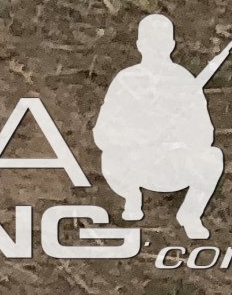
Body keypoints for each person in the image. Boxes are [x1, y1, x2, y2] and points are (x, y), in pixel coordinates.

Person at [95, 14, 224, 239]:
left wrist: (178, 132)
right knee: (112, 157)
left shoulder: (184, 81)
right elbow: (103, 132)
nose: (156, 49)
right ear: (139, 45)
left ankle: (191, 214)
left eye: (161, 43)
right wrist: (139, 135)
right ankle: (131, 196)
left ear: (171, 46)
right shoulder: (126, 80)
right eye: (150, 43)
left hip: (171, 164)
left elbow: (204, 134)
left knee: (212, 158)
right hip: (134, 162)